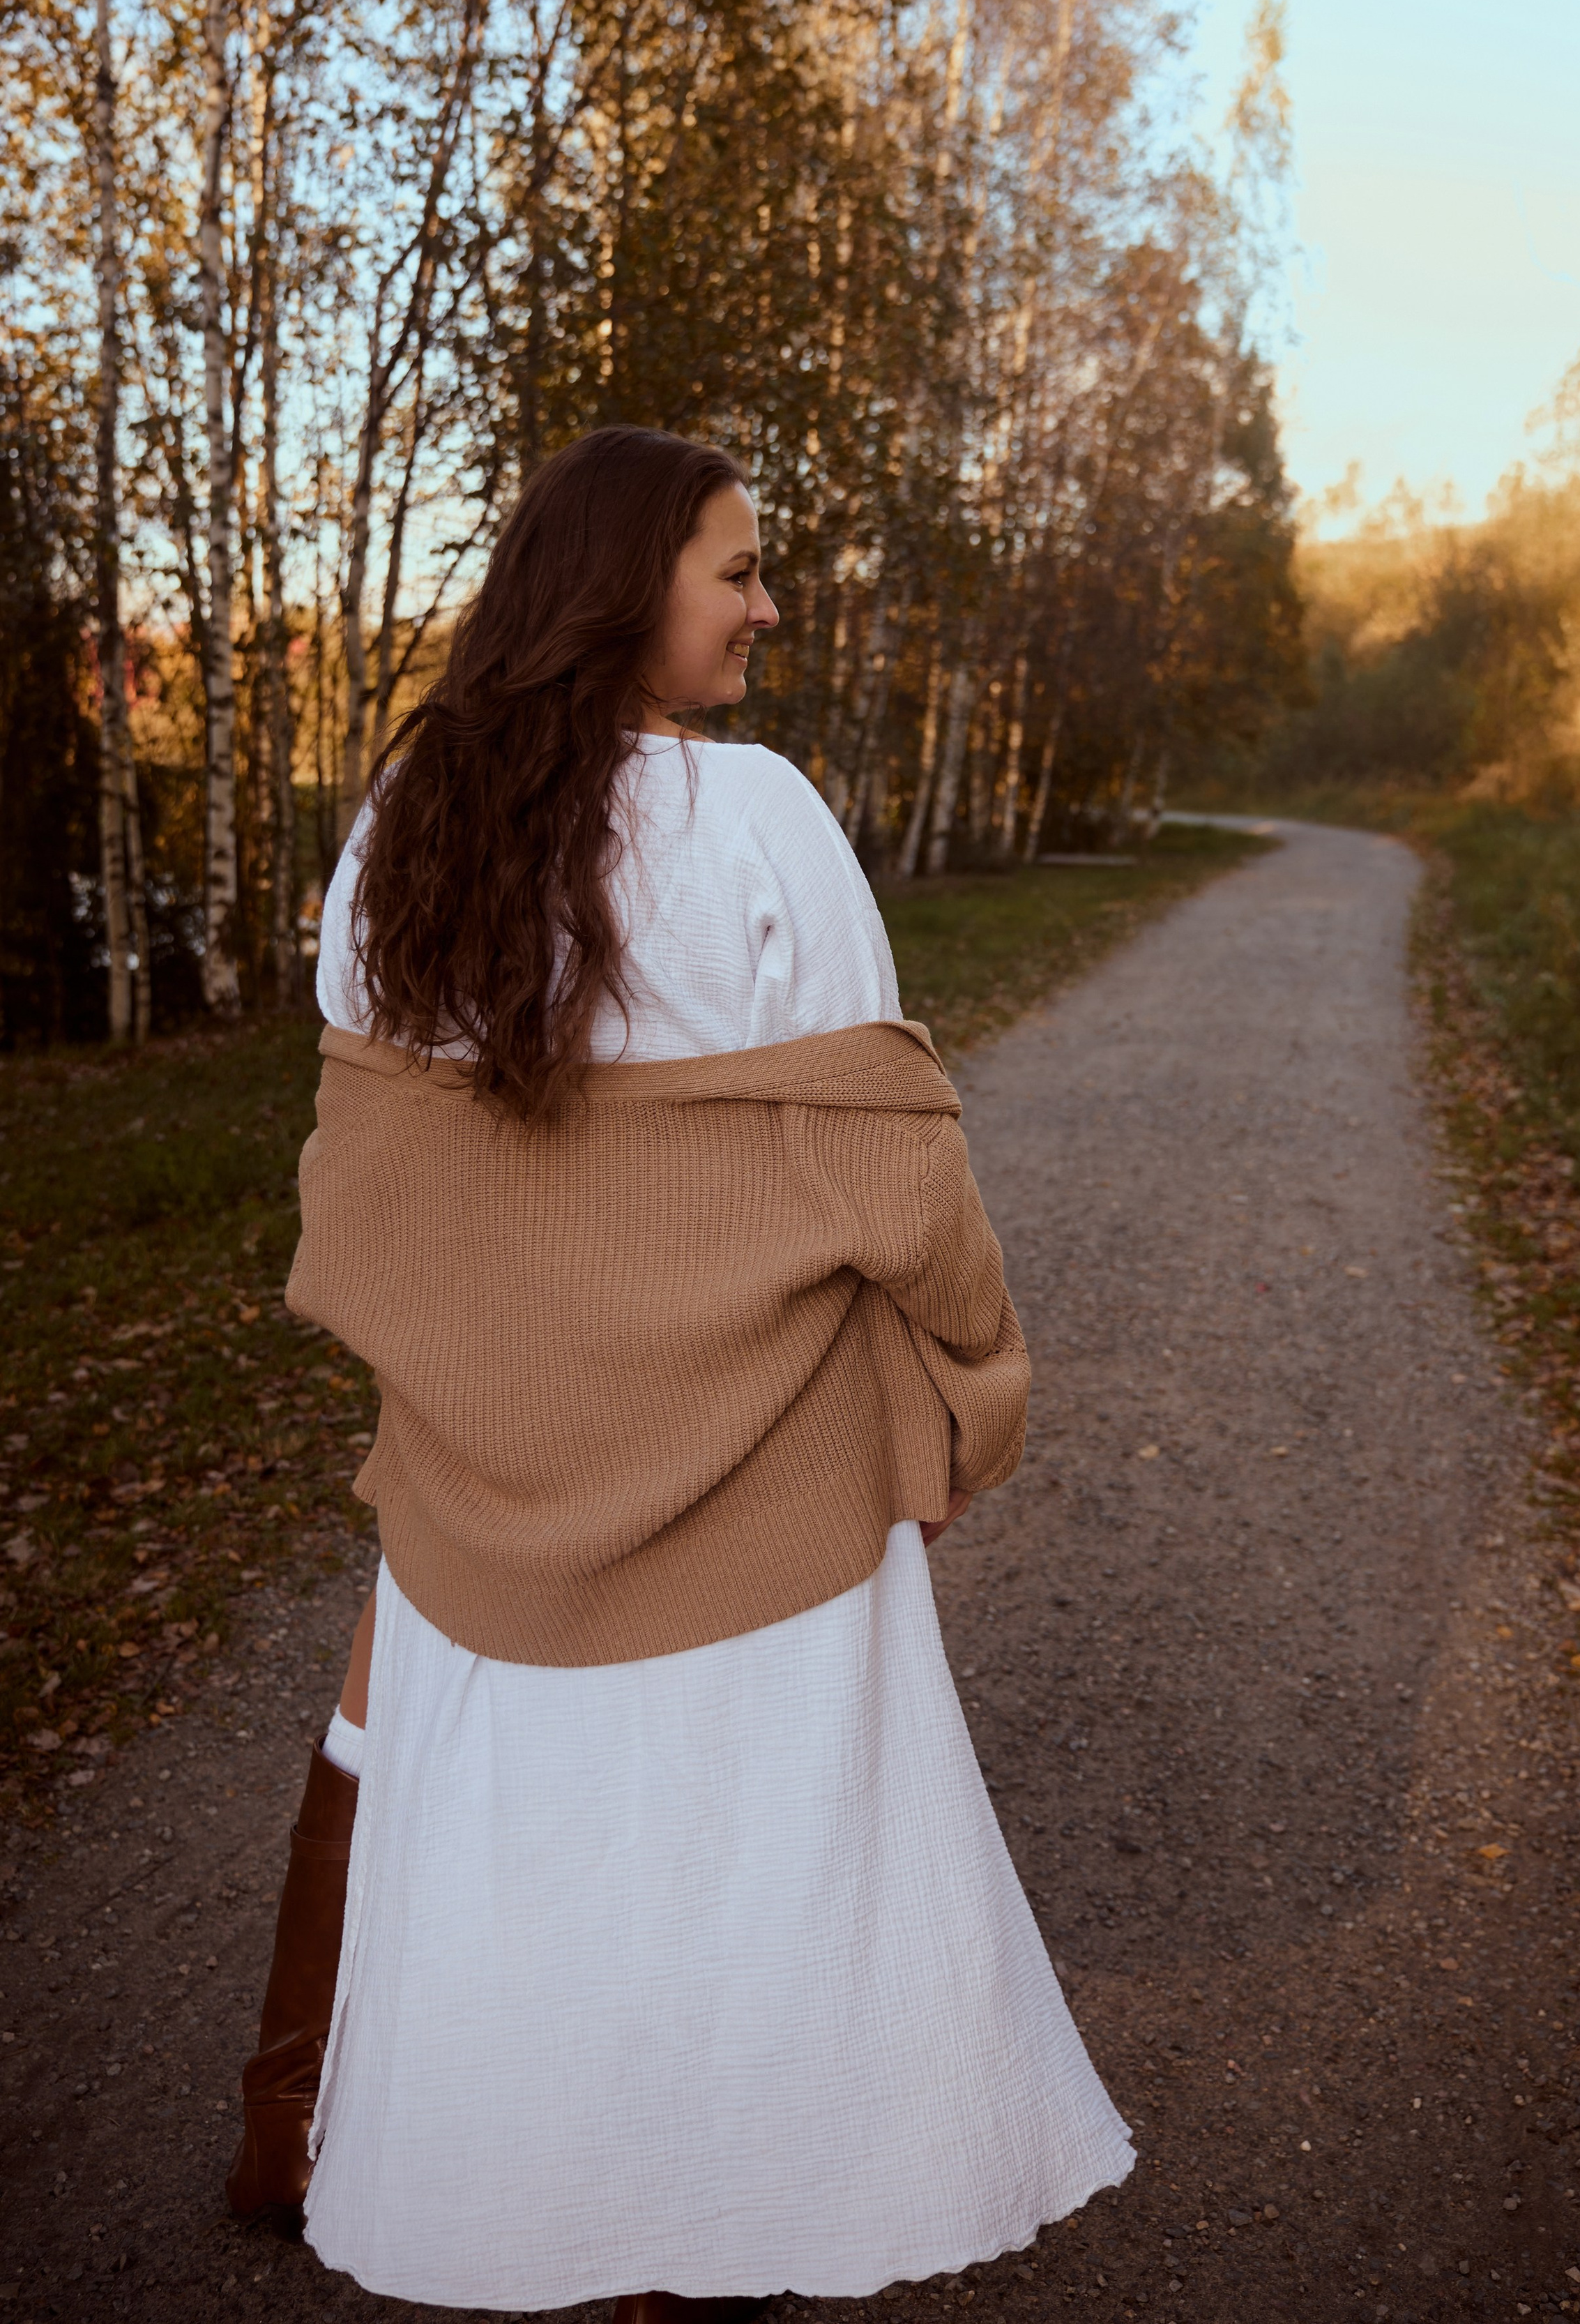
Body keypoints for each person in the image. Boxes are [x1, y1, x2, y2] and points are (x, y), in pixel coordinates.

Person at [225, 425, 1132, 2316]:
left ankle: (315, 2124)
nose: (767, 604)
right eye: (737, 567)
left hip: (488, 1450)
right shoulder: (759, 821)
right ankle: (692, 2235)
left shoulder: (403, 823)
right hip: (759, 1465)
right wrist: (966, 1385)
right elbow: (889, 1158)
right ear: (630, 585)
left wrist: (461, 1382)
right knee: (738, 1842)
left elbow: (368, 1155)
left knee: (488, 1810)